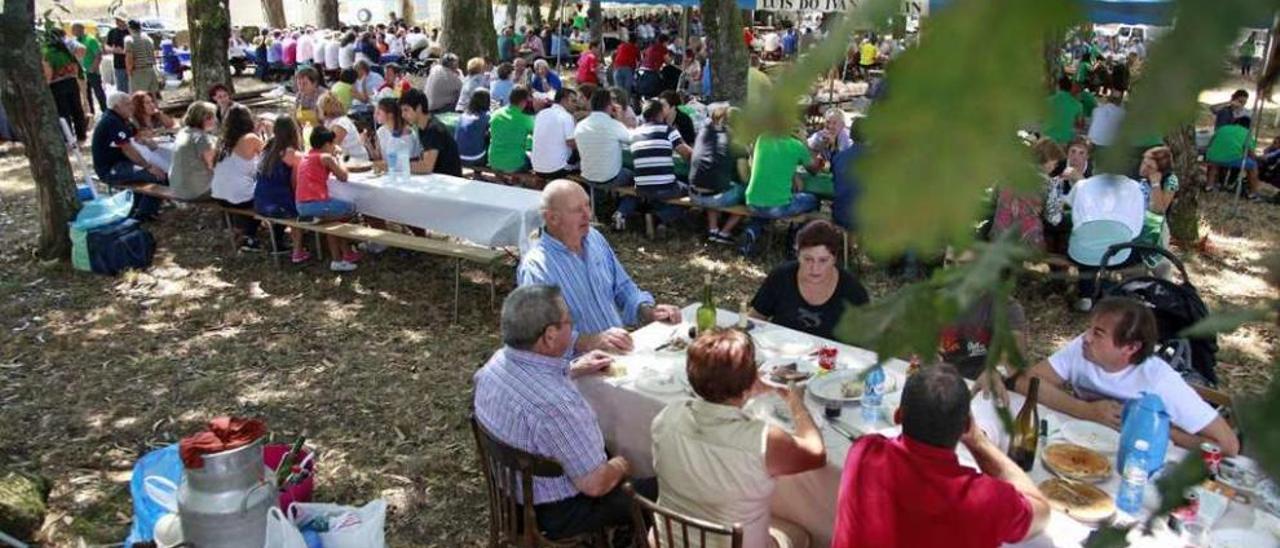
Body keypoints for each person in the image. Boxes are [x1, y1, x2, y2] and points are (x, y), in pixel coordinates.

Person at [474, 284, 658, 540]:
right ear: (550, 335)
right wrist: (625, 463)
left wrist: (571, 368)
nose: (573, 328)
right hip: (556, 513)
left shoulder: (493, 367)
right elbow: (596, 485)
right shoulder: (556, 405)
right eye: (569, 322)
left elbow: (530, 384)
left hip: (510, 495)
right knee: (659, 485)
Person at [832, 363, 1052, 548]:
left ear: (898, 416)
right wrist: (979, 442)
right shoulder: (986, 498)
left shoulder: (863, 451)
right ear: (966, 426)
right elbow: (1042, 512)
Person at [651, 328, 823, 548]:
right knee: (800, 533)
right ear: (751, 377)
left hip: (670, 541)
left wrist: (746, 390)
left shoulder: (668, 416)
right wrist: (795, 401)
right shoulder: (764, 439)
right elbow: (816, 454)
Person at [1013, 297, 1240, 455]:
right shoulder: (1082, 350)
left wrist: (1158, 429)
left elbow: (1228, 446)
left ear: (1130, 348)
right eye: (1090, 328)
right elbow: (1027, 382)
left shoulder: (1159, 381)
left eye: (1098, 334)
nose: (1086, 338)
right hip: (1081, 444)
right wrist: (1085, 411)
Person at [517, 180, 683, 354]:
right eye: (577, 210)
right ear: (552, 218)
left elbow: (623, 287)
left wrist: (648, 312)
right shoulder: (537, 268)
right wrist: (589, 342)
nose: (588, 214)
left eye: (587, 205)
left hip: (618, 356)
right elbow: (541, 338)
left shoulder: (594, 238)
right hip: (576, 371)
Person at [749, 220, 869, 340]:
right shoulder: (781, 276)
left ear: (834, 259)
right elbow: (754, 319)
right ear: (798, 255)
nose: (815, 268)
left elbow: (865, 341)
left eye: (823, 260)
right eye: (808, 259)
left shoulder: (852, 291)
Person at [740, 129, 824, 256]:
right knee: (813, 200)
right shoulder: (796, 146)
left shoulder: (762, 138)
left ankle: (751, 231)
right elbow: (814, 170)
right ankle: (794, 243)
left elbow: (772, 162)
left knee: (765, 205)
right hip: (777, 206)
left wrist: (793, 174)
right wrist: (804, 142)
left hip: (751, 202)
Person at [614, 99, 693, 231]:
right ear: (661, 113)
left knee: (641, 190)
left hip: (641, 187)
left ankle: (622, 213)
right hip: (667, 187)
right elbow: (688, 154)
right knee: (692, 194)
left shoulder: (634, 134)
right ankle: (660, 218)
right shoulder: (668, 131)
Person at [296, 127, 360, 271]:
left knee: (335, 219)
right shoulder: (326, 157)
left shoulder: (306, 156)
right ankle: (339, 257)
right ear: (326, 144)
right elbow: (343, 176)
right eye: (332, 144)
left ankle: (345, 254)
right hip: (314, 205)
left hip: (301, 205)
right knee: (351, 208)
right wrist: (340, 158)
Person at [689, 104, 749, 243]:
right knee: (748, 191)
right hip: (715, 198)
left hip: (693, 193)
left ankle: (713, 229)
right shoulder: (737, 143)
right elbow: (744, 176)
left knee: (713, 180)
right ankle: (725, 232)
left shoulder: (703, 133)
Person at [211, 105, 267, 251]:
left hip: (218, 194)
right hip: (239, 196)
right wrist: (267, 132)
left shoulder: (222, 141)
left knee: (247, 187)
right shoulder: (250, 138)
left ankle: (242, 230)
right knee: (266, 192)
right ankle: (248, 235)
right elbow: (269, 156)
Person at [92, 91, 168, 187]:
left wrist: (145, 140)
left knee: (162, 170)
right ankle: (145, 201)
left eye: (131, 103)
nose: (132, 107)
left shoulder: (122, 118)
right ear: (116, 107)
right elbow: (127, 149)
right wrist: (148, 167)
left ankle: (140, 202)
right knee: (157, 176)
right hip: (111, 168)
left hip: (124, 163)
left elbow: (137, 135)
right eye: (127, 104)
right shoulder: (111, 121)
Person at [573, 88, 632, 188]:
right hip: (611, 179)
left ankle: (603, 200)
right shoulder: (613, 125)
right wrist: (619, 117)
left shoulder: (580, 125)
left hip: (588, 177)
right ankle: (626, 203)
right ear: (610, 106)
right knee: (635, 176)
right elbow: (630, 139)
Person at [400, 88, 463, 176]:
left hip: (448, 180)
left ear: (418, 108)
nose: (403, 115)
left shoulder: (433, 130)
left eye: (406, 110)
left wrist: (397, 165)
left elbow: (426, 167)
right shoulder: (422, 127)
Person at [43, 28, 87, 143]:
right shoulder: (67, 51)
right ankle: (81, 136)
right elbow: (76, 66)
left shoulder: (47, 53)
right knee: (77, 109)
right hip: (72, 82)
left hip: (57, 85)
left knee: (63, 112)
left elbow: (49, 73)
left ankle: (68, 138)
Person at [168, 101, 219, 201]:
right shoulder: (202, 138)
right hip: (196, 192)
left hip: (177, 189)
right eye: (213, 117)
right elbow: (213, 165)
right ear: (205, 119)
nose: (215, 120)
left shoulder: (183, 132)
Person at [1205, 116, 1264, 198]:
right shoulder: (1247, 133)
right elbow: (1249, 151)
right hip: (1232, 158)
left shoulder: (1222, 128)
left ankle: (1209, 186)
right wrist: (1258, 159)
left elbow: (1211, 142)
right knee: (1253, 166)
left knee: (1214, 165)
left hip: (1212, 157)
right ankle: (1253, 193)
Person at [531, 88, 579, 179]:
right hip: (557, 169)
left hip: (537, 167)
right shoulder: (566, 116)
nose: (576, 105)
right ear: (564, 100)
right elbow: (572, 143)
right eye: (573, 101)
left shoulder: (541, 113)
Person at [488, 86, 536, 173]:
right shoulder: (526, 118)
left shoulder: (496, 113)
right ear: (523, 101)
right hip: (514, 164)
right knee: (533, 160)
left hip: (493, 161)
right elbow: (537, 136)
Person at [369, 96, 423, 163]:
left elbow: (414, 159)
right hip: (387, 170)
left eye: (378, 113)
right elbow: (377, 158)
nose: (375, 116)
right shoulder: (380, 131)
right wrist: (368, 144)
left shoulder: (409, 133)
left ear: (390, 115)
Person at [319, 93, 368, 161]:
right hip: (346, 159)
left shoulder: (341, 123)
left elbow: (331, 147)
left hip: (356, 161)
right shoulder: (328, 122)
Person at [72, 23, 107, 117]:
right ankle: (91, 113)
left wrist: (93, 67)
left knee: (98, 92)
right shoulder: (75, 42)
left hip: (92, 71)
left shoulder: (90, 40)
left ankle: (105, 111)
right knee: (86, 94)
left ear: (81, 29)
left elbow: (98, 54)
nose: (73, 31)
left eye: (74, 29)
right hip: (81, 73)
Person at [1043, 76, 1083, 145]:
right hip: (1064, 138)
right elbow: (1079, 125)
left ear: (1058, 86)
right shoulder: (1078, 105)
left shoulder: (1048, 100)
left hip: (1047, 136)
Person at [456, 88, 491, 167]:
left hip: (458, 156)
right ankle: (479, 172)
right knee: (489, 139)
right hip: (475, 158)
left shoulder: (463, 115)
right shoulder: (486, 116)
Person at [124, 19, 160, 97]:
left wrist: (129, 71)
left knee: (138, 98)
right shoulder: (148, 39)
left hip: (138, 71)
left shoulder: (129, 40)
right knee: (152, 97)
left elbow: (129, 57)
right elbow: (153, 55)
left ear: (130, 28)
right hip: (150, 70)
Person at [106, 12, 130, 93]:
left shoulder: (130, 31)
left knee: (134, 88)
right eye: (116, 20)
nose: (117, 22)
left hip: (132, 64)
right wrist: (113, 50)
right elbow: (106, 46)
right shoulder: (112, 32)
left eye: (119, 20)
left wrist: (124, 51)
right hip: (119, 65)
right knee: (122, 89)